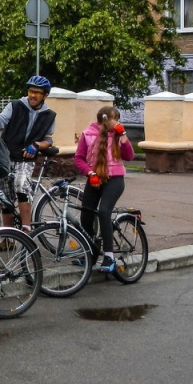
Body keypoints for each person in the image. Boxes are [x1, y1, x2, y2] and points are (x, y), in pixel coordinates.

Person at [74, 105, 135, 273]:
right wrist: (90, 172)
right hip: (95, 179)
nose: (118, 123)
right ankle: (90, 253)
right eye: (117, 120)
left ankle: (109, 256)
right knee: (86, 216)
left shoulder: (117, 135)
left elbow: (129, 156)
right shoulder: (88, 134)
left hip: (114, 180)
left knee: (104, 212)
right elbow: (79, 158)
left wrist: (123, 135)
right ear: (108, 120)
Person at [0, 75, 56, 231]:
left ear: (45, 95)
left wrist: (37, 145)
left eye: (37, 92)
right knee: (4, 196)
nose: (33, 95)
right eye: (31, 91)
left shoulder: (49, 115)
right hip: (5, 155)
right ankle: (8, 237)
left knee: (21, 185)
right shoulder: (15, 106)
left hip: (25, 159)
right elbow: (0, 121)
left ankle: (26, 230)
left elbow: (48, 140)